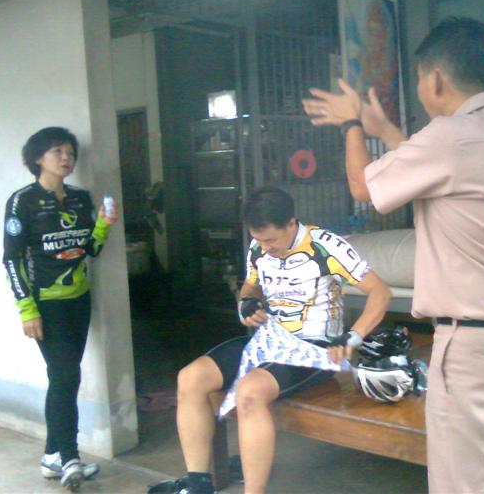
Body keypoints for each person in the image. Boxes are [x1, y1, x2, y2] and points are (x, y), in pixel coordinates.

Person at [303, 17, 484, 494]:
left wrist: (353, 124)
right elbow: (431, 167)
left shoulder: (449, 137)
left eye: (420, 78)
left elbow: (363, 187)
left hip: (477, 354)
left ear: (436, 78)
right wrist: (386, 130)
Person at [149, 186, 391, 494]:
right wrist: (247, 302)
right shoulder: (258, 247)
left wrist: (352, 337)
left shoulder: (326, 245)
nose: (265, 247)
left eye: (271, 240)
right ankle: (198, 486)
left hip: (315, 348)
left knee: (250, 392)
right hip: (269, 341)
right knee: (190, 378)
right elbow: (250, 286)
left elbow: (380, 292)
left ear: (291, 223)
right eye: (259, 240)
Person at [3, 127, 119, 491]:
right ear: (38, 158)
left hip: (78, 300)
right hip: (45, 305)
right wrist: (27, 309)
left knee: (65, 377)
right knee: (66, 375)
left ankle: (52, 456)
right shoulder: (22, 201)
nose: (66, 158)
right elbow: (11, 259)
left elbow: (89, 249)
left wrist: (103, 225)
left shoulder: (81, 198)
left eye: (70, 152)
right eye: (57, 151)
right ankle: (69, 457)